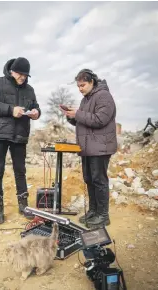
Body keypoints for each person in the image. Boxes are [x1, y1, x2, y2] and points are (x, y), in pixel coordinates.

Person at [0, 57, 41, 224]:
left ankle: (23, 205)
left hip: (20, 135)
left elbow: (36, 106)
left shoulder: (29, 89)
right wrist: (10, 110)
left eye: (26, 76)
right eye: (21, 74)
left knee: (20, 171)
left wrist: (37, 112)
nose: (23, 78)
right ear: (12, 71)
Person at [60, 69, 117, 228]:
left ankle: (103, 216)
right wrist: (71, 115)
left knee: (99, 180)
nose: (80, 89)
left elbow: (100, 120)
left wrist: (78, 114)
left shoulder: (103, 96)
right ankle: (94, 211)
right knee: (90, 179)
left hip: (100, 147)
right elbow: (83, 121)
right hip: (88, 147)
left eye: (83, 85)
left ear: (92, 81)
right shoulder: (86, 99)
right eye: (78, 86)